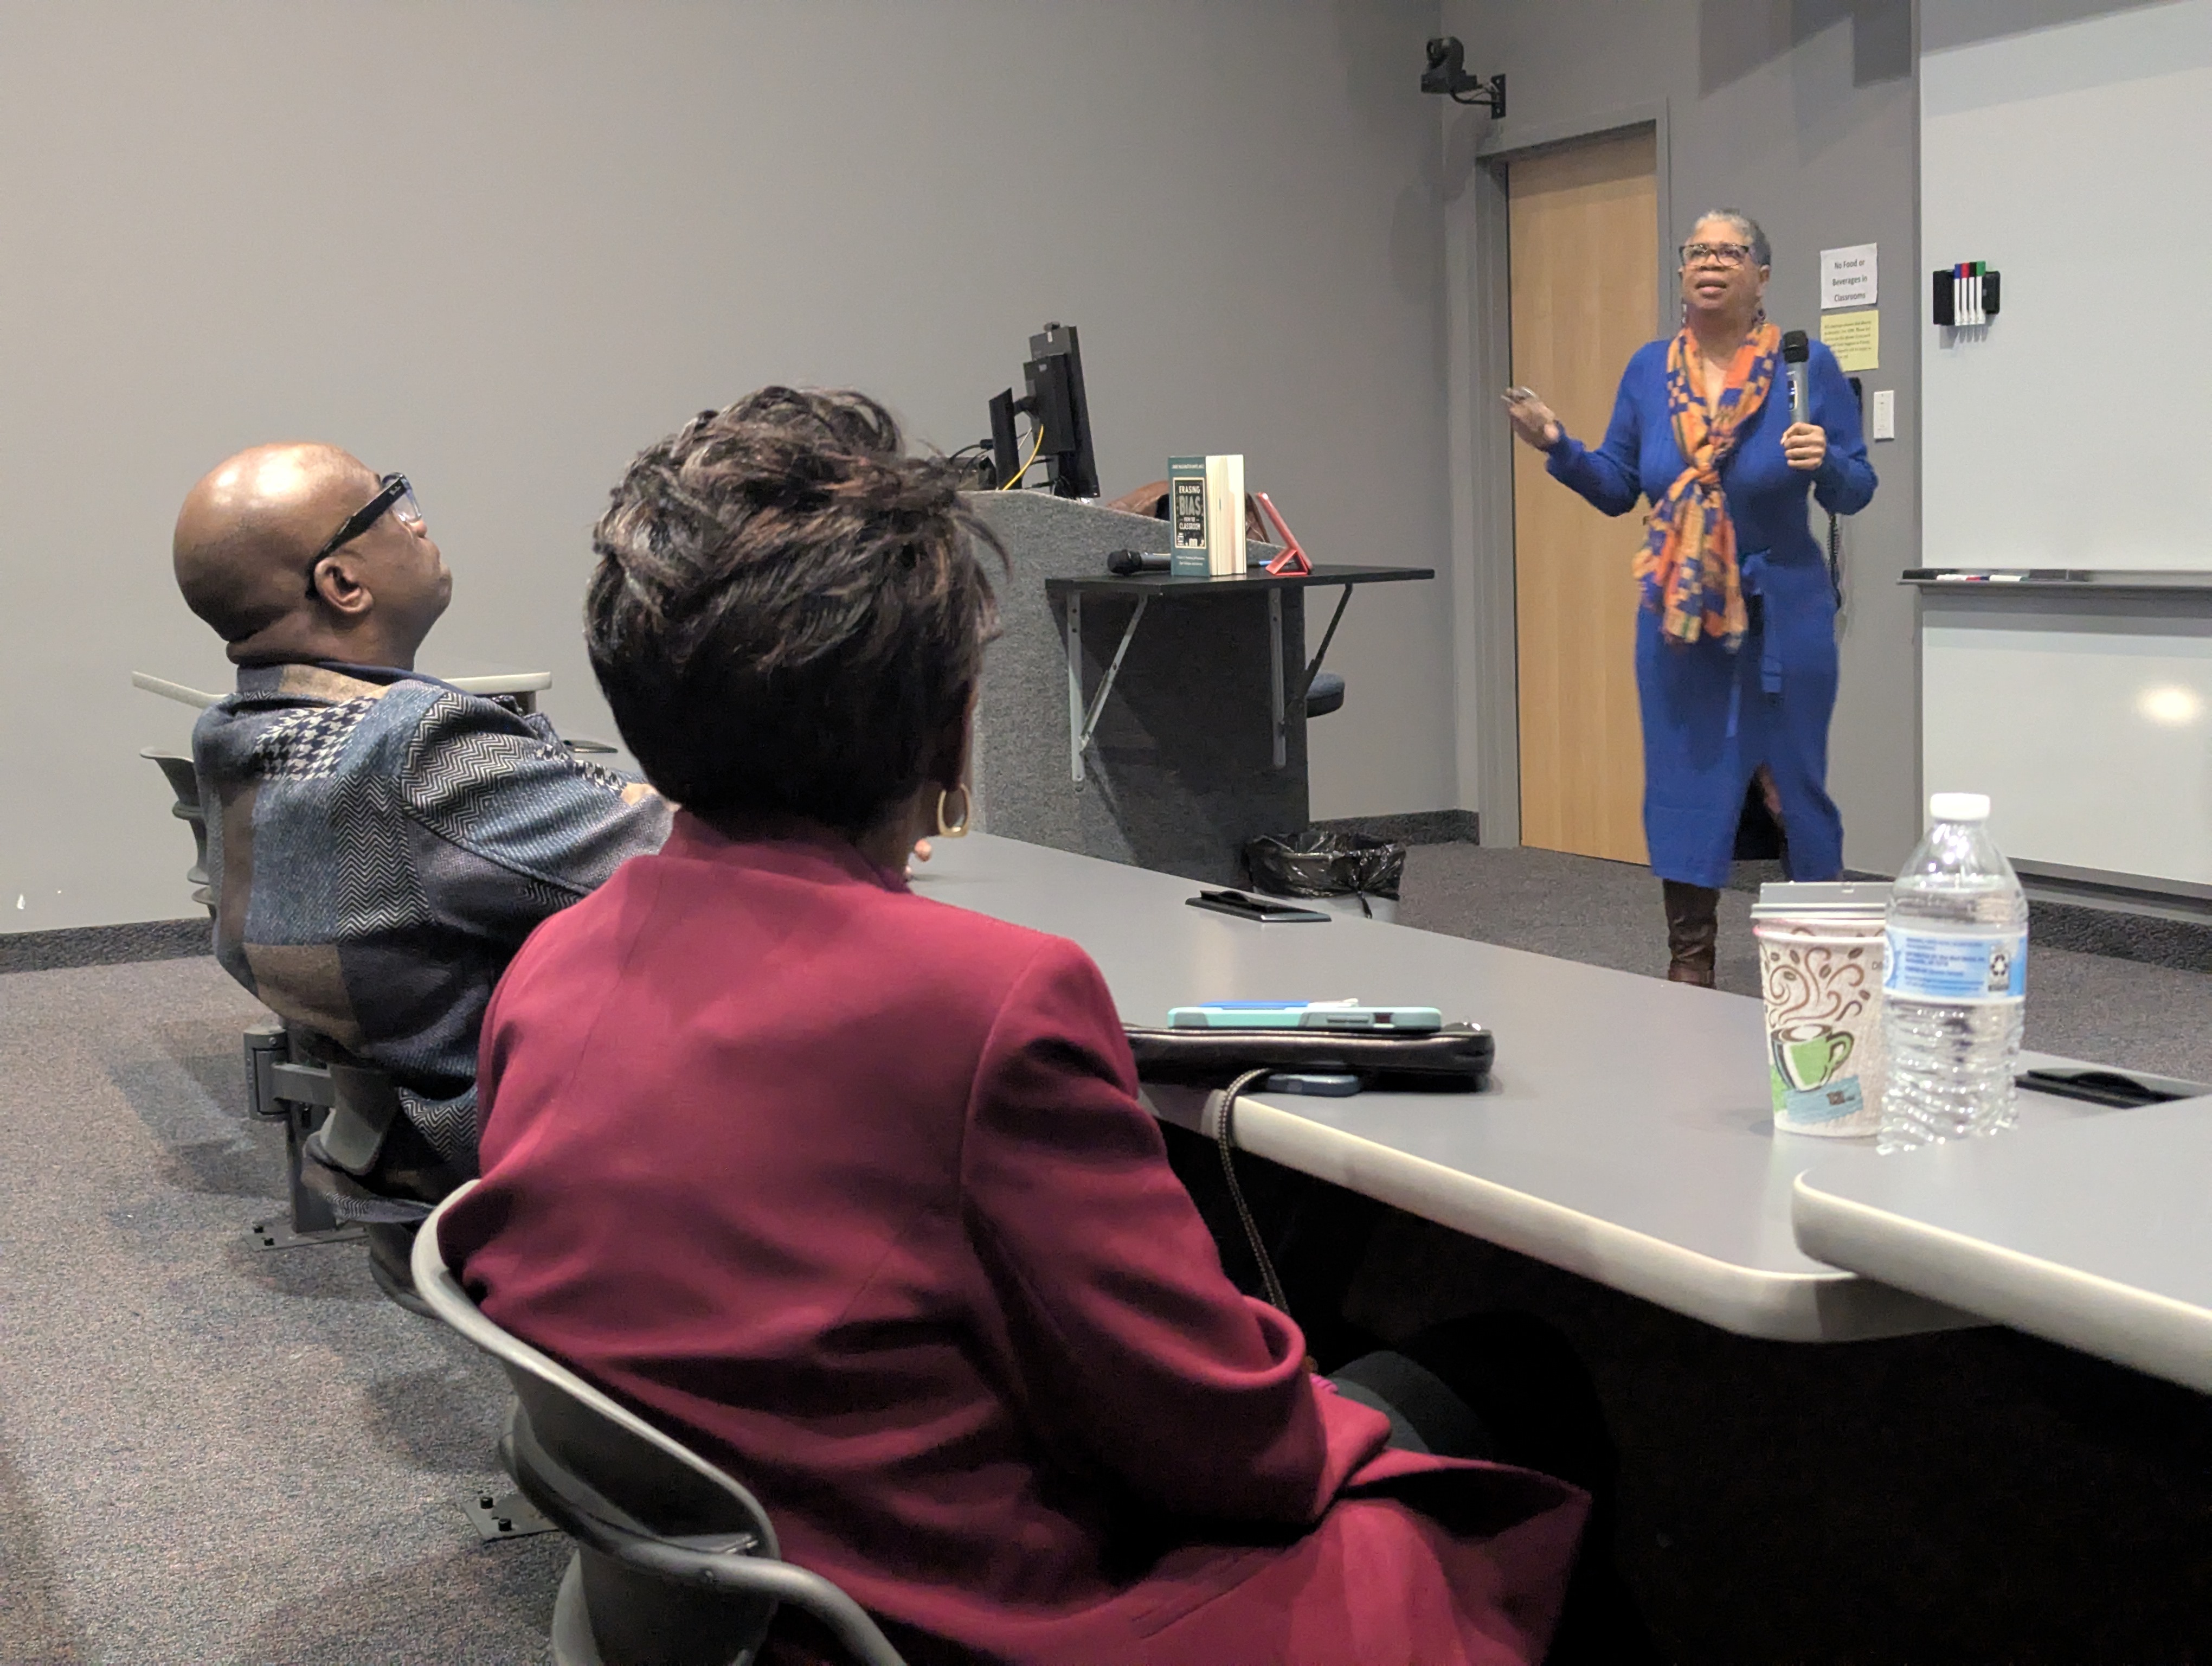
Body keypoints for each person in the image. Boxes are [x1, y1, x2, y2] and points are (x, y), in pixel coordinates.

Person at [437, 388, 1593, 1665]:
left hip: (760, 1593)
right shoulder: (983, 997)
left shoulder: (552, 963)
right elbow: (1237, 1454)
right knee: (1510, 1376)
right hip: (996, 1614)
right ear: (949, 724)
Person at [172, 444, 670, 1297]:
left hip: (401, 1167)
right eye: (390, 503)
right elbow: (688, 852)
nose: (418, 519)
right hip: (544, 1175)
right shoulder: (416, 751)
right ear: (343, 584)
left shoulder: (236, 730)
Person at [1503, 211, 1877, 985]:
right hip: (1681, 613)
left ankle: (1819, 972)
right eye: (1697, 251)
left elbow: (1857, 487)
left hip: (1787, 609)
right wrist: (1557, 445)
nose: (1712, 262)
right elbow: (1616, 487)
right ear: (1683, 272)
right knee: (1685, 782)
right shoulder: (1648, 370)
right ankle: (1691, 967)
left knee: (1794, 781)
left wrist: (1827, 465)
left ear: (1761, 275)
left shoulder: (1808, 368)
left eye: (1730, 251)